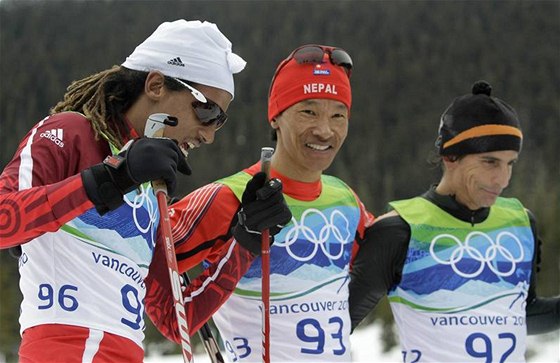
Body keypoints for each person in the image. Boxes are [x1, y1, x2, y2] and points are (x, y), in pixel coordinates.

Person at [0, 20, 291, 362]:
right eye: (206, 110)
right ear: (155, 84)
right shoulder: (70, 132)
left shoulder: (150, 191)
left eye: (219, 121)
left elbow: (175, 319)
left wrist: (245, 240)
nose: (208, 134)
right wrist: (110, 179)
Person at [158, 44, 375, 362]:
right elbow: (141, 264)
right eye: (308, 111)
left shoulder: (344, 200)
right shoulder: (228, 197)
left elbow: (388, 261)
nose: (325, 130)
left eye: (338, 115)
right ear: (276, 117)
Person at [349, 80, 560, 362]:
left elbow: (522, 313)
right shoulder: (401, 230)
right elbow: (336, 326)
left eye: (510, 163)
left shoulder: (520, 223)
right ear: (450, 156)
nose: (503, 179)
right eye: (490, 162)